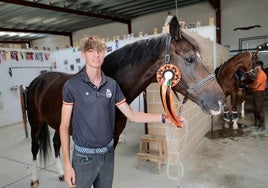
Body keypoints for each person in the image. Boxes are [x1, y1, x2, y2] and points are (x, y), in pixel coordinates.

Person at [59, 35, 169, 188]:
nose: (96, 55)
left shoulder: (112, 85)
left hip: (108, 155)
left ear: (104, 53)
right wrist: (66, 164)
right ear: (83, 55)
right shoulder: (72, 86)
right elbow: (64, 126)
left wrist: (164, 117)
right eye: (90, 51)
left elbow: (131, 114)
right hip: (84, 157)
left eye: (100, 50)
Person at [247, 60, 267, 131]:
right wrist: (250, 74)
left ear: (259, 66)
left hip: (259, 93)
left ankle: (262, 125)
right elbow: (253, 79)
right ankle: (256, 123)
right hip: (255, 93)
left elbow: (256, 86)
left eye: (255, 66)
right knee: (255, 109)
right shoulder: (257, 73)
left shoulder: (262, 74)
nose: (255, 67)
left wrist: (248, 85)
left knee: (259, 110)